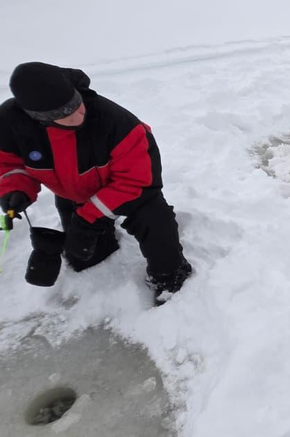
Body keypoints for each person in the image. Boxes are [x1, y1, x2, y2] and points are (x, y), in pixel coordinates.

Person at [0, 62, 192, 305]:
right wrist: (16, 189)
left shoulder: (117, 123)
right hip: (74, 193)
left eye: (75, 102)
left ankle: (169, 277)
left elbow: (136, 182)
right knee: (83, 257)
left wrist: (88, 219)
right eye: (64, 113)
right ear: (40, 118)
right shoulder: (10, 123)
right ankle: (102, 241)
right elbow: (8, 163)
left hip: (130, 192)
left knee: (156, 223)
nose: (78, 113)